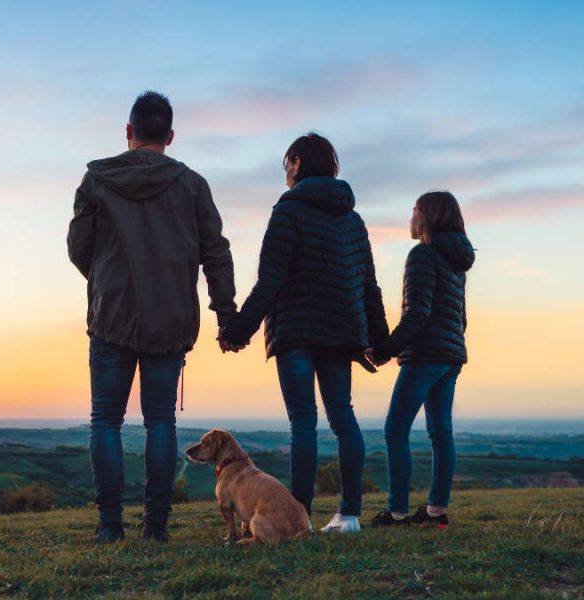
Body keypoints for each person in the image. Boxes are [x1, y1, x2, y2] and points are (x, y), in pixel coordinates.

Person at [68, 91, 237, 544]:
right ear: (171, 136)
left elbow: (78, 249)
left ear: (129, 132)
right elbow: (216, 254)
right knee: (160, 422)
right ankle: (156, 526)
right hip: (171, 319)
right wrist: (225, 313)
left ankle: (109, 526)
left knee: (105, 421)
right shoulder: (193, 185)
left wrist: (106, 279)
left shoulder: (96, 181)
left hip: (111, 318)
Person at [220, 132, 388, 533]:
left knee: (303, 423)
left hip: (296, 331)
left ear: (296, 163)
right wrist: (379, 343)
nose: (285, 173)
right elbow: (369, 286)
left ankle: (298, 519)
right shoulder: (352, 220)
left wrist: (238, 330)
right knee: (343, 418)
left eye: (285, 165)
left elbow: (270, 282)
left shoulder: (288, 212)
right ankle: (349, 515)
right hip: (342, 332)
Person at [366, 191, 474, 529]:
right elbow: (461, 317)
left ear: (428, 216)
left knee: (395, 429)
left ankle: (397, 513)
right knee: (441, 433)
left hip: (426, 355)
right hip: (451, 355)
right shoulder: (458, 260)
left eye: (414, 211)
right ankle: (436, 512)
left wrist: (383, 350)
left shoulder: (423, 255)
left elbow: (417, 314)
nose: (410, 218)